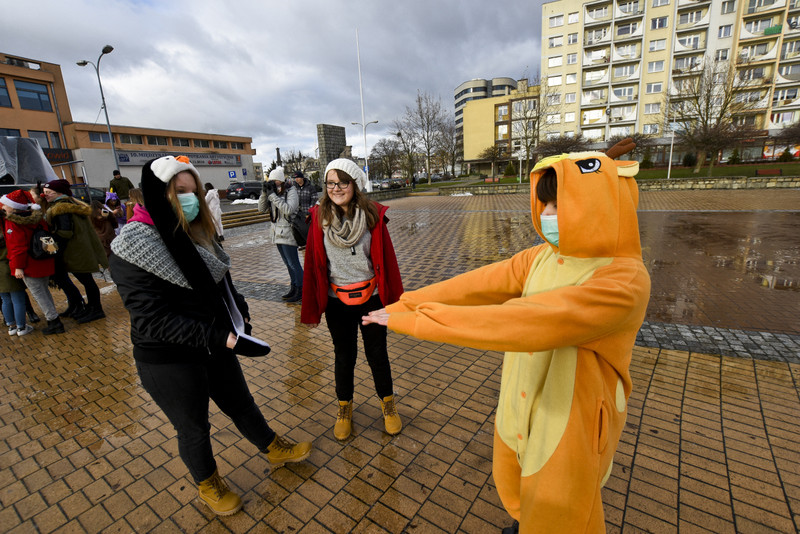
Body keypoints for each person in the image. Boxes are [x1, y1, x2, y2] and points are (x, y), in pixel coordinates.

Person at [363, 145, 650, 533]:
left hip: (573, 417)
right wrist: (406, 304)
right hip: (523, 399)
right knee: (521, 487)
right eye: (544, 206)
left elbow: (529, 321)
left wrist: (420, 321)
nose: (547, 216)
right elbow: (478, 284)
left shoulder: (623, 279)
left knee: (563, 510)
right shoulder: (542, 257)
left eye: (558, 206)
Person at [110, 155, 312, 516]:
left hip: (215, 343)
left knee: (241, 403)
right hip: (168, 357)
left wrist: (241, 316)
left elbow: (224, 286)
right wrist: (223, 337)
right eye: (179, 192)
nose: (190, 199)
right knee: (194, 428)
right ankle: (208, 483)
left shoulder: (199, 235)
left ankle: (272, 448)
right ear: (157, 195)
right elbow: (154, 319)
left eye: (193, 192)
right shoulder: (132, 247)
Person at [301, 158, 404, 441]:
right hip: (337, 302)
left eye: (342, 182)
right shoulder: (318, 218)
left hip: (371, 299)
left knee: (377, 355)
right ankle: (344, 408)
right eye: (330, 183)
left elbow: (388, 263)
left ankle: (388, 405)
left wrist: (395, 304)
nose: (336, 188)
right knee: (344, 356)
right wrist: (311, 311)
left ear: (354, 184)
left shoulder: (372, 217)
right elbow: (312, 266)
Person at [42, 179, 109, 323]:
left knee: (87, 281)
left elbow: (65, 232)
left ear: (59, 193)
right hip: (80, 249)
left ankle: (96, 310)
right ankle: (91, 307)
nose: (45, 195)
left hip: (75, 252)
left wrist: (50, 240)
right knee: (87, 281)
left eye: (48, 192)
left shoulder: (61, 208)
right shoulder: (71, 205)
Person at [1, 189, 64, 335]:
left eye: (5, 205)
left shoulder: (13, 222)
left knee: (39, 295)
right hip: (44, 260)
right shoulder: (38, 217)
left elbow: (17, 247)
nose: (3, 207)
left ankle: (54, 322)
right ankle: (53, 317)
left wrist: (18, 267)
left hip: (29, 265)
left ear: (14, 206)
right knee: (44, 291)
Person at [258, 167, 303, 303]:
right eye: (271, 180)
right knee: (287, 263)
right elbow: (261, 209)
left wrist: (273, 196)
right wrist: (265, 193)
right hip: (277, 233)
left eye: (275, 180)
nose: (273, 183)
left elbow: (289, 210)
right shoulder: (274, 192)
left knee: (293, 263)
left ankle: (301, 289)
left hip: (288, 232)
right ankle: (294, 287)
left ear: (281, 180)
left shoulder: (291, 190)